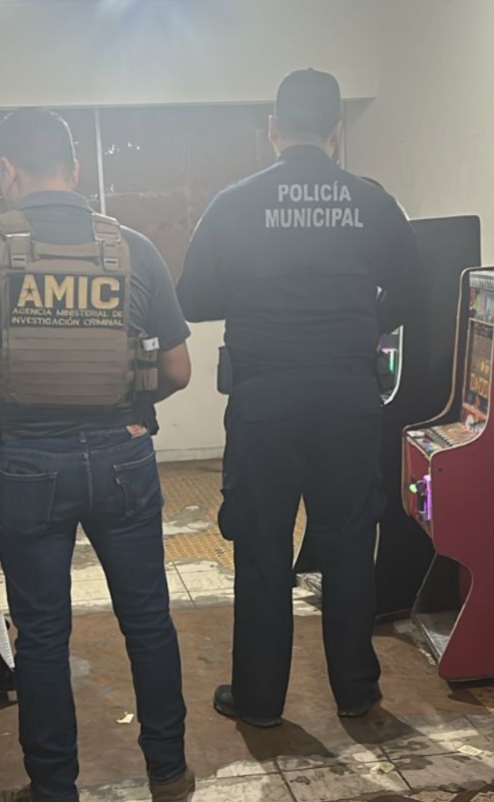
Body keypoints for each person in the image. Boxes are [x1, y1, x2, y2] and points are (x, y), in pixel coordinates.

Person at [0, 108, 195, 802]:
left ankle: (55, 798)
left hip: (26, 465)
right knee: (148, 620)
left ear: (8, 171)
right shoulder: (133, 248)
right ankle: (169, 779)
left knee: (42, 635)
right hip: (123, 457)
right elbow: (177, 369)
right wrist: (132, 406)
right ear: (74, 169)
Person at [176, 70, 422, 727]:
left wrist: (253, 294)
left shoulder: (235, 202)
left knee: (262, 547)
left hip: (265, 399)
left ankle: (259, 700)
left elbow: (190, 297)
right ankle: (356, 691)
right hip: (348, 397)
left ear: (273, 129)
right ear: (336, 132)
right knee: (348, 544)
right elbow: (413, 291)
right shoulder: (371, 201)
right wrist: (363, 316)